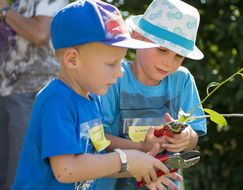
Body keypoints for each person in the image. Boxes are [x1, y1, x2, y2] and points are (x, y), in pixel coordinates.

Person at [12, 1, 183, 189]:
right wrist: (127, 160)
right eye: (111, 63)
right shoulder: (57, 101)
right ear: (72, 59)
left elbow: (95, 163)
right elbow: (66, 169)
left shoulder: (93, 99)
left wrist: (141, 167)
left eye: (121, 62)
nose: (120, 72)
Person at [99, 0, 207, 189]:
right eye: (162, 50)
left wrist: (185, 137)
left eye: (178, 56)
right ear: (137, 37)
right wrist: (143, 148)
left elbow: (194, 138)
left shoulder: (182, 80)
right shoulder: (115, 78)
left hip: (166, 184)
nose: (168, 63)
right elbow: (99, 138)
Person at [0, 0, 68, 189]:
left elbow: (40, 34)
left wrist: (4, 10)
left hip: (32, 92)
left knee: (20, 171)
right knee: (5, 171)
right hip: (7, 93)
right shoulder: (16, 5)